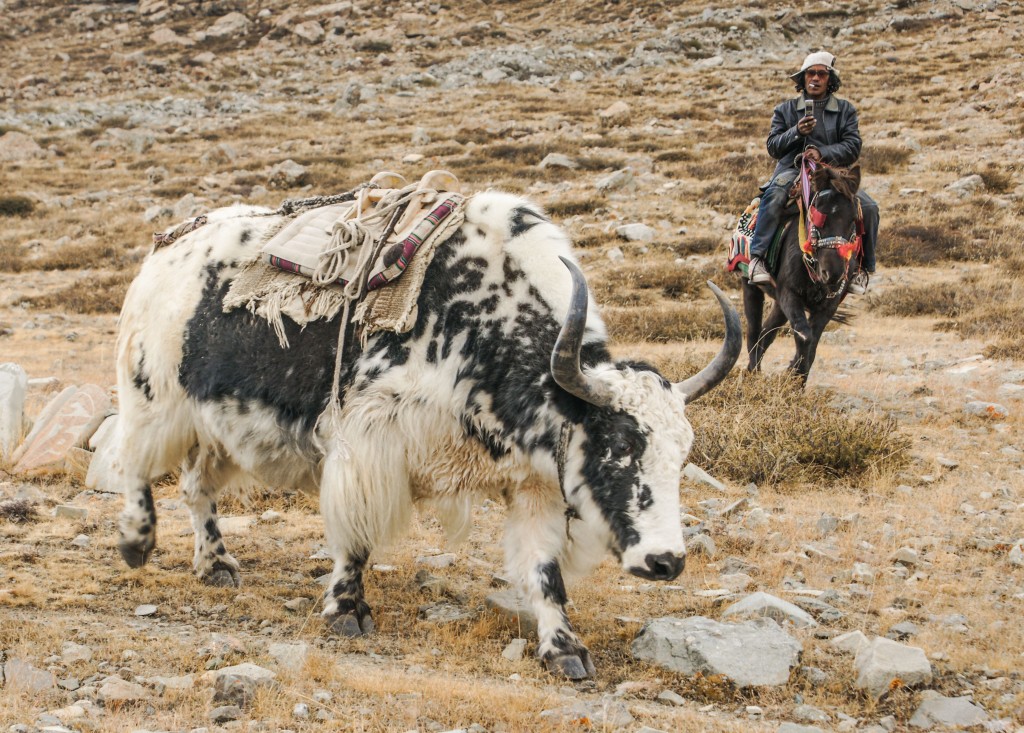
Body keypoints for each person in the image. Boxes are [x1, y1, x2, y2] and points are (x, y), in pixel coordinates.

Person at [746, 51, 878, 294]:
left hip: (833, 174)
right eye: (810, 73)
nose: (815, 78)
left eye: (821, 74)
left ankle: (863, 269)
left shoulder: (846, 110)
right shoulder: (785, 110)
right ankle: (757, 259)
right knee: (774, 197)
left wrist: (822, 152)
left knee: (869, 208)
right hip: (793, 171)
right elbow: (773, 146)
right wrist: (796, 132)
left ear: (830, 80)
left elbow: (853, 145)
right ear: (803, 78)